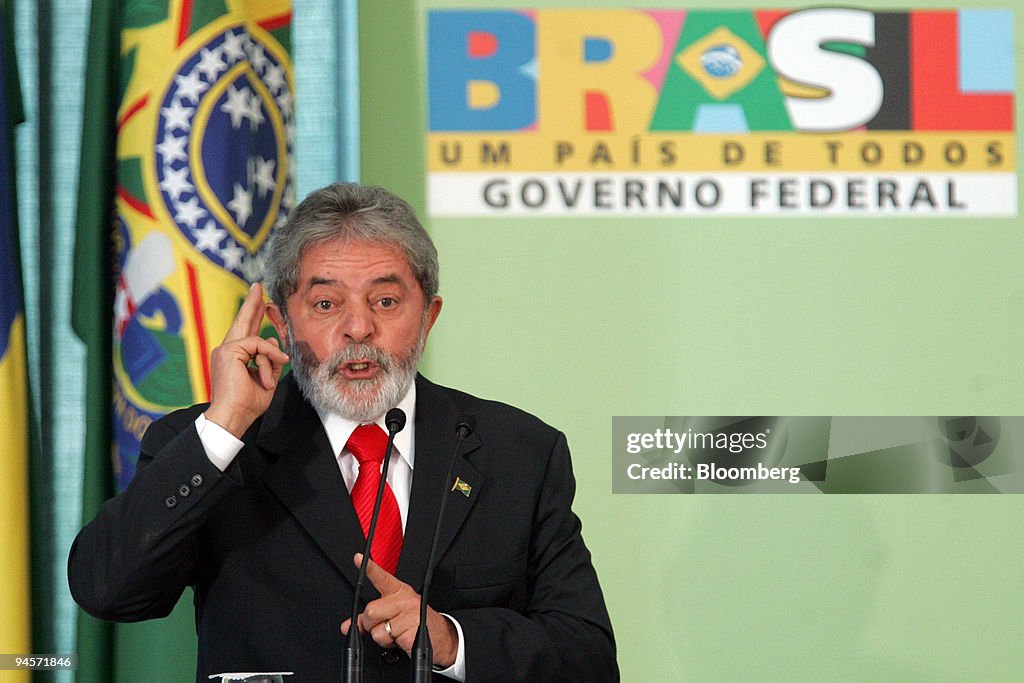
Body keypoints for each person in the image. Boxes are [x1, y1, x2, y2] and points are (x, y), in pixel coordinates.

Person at [68, 182, 618, 682]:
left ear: (428, 316)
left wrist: (452, 640)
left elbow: (588, 659)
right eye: (326, 304)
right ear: (282, 325)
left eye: (386, 301)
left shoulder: (517, 453)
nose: (358, 328)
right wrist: (227, 425)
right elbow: (107, 590)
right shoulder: (215, 445)